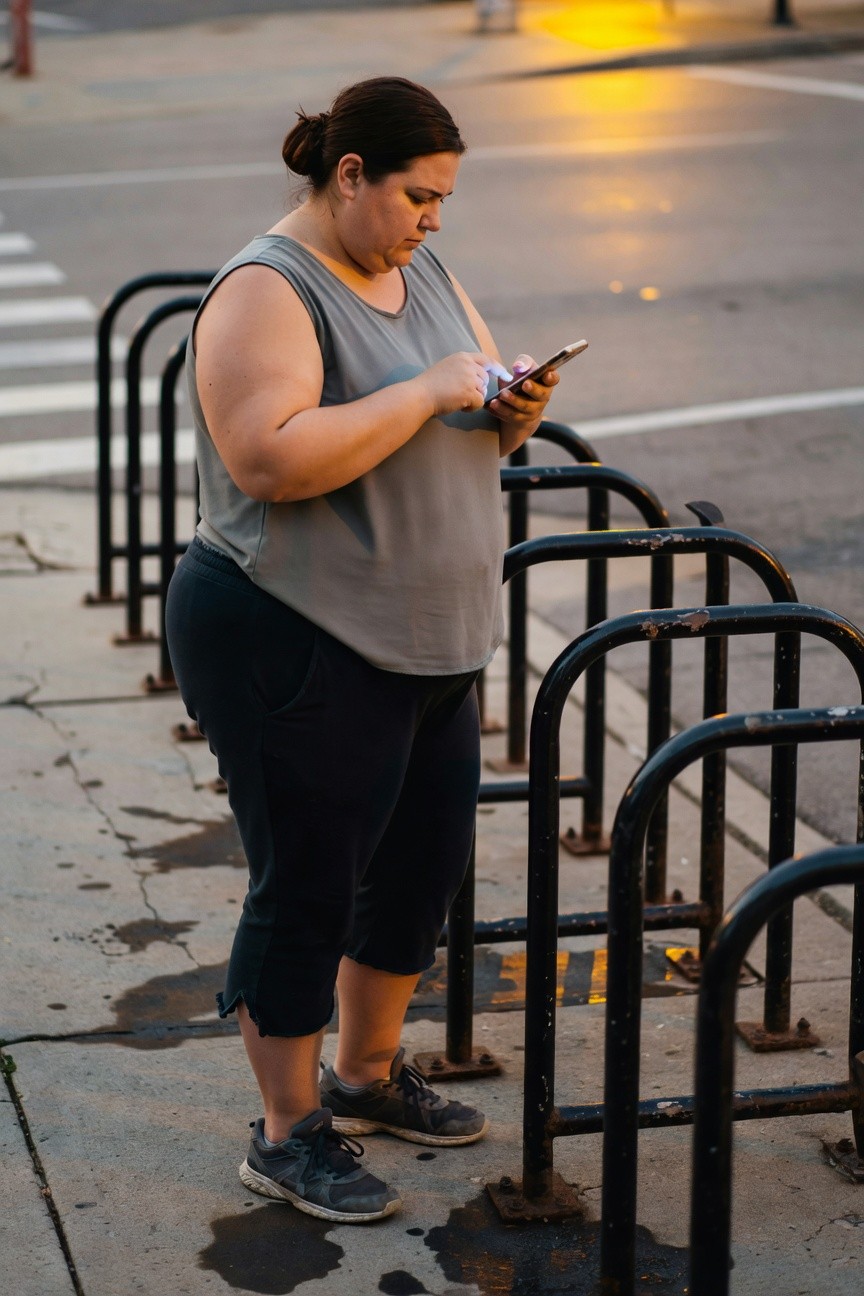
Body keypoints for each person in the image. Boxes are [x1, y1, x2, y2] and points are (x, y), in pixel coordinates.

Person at [166, 75, 558, 1225]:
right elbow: (271, 459)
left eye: (444, 201)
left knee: (417, 875)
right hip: (294, 634)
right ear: (349, 178)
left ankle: (367, 1075)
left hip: (427, 641)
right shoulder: (266, 289)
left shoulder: (415, 263)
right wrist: (433, 387)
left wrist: (506, 407)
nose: (434, 220)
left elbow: (466, 387)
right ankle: (287, 1134)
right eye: (418, 196)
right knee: (308, 886)